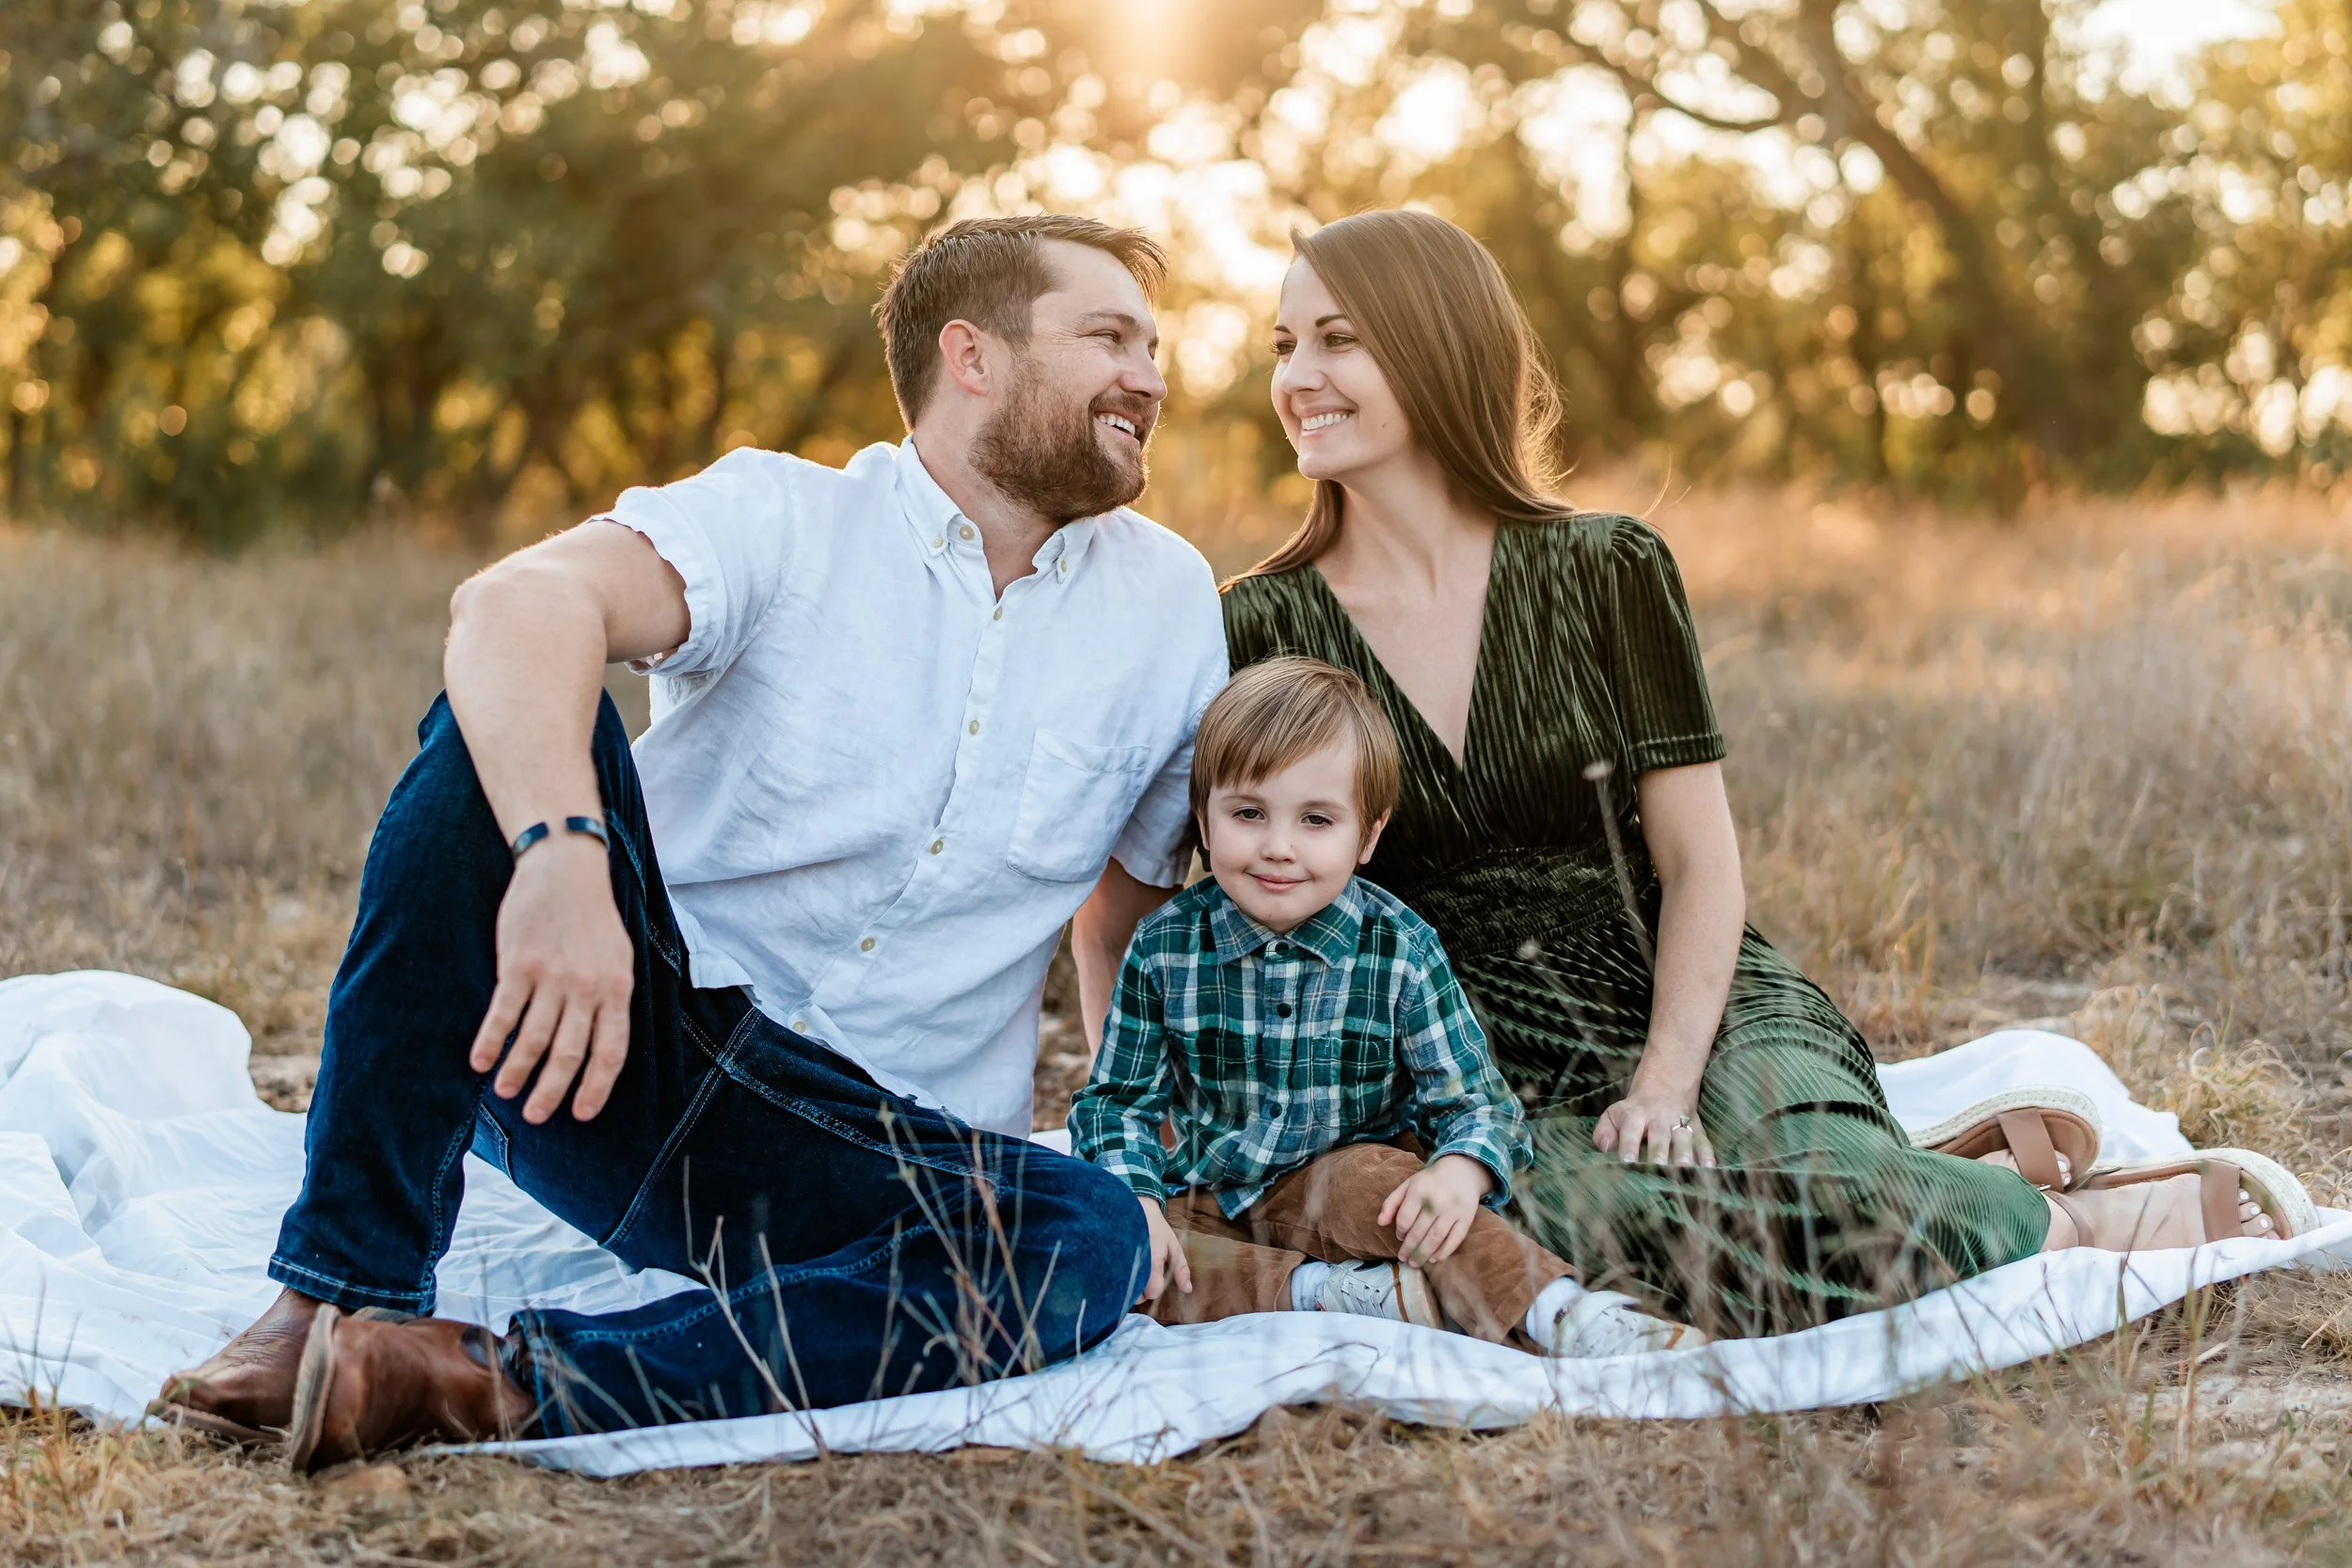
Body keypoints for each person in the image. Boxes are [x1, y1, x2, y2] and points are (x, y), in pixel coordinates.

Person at [154, 214, 1231, 1468]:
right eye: (1109, 337)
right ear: (972, 356)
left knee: (1083, 1239)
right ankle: (332, 1291)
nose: (1150, 376)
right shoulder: (787, 515)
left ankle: (470, 1381)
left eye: (1154, 346)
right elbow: (515, 600)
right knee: (491, 717)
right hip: (614, 1047)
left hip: (869, 1148)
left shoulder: (1169, 605)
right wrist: (563, 864)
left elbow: (1123, 916)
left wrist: (1130, 1151)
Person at [1215, 210, 2313, 1338]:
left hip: (1682, 983)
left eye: (1336, 339)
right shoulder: (1256, 624)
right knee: (1617, 1238)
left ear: (1437, 346)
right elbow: (1198, 898)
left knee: (1847, 1203)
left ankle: (2077, 1222)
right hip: (1467, 1044)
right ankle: (1972, 1179)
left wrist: (1665, 1081)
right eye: (1282, 345)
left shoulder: (1607, 568)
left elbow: (1699, 864)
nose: (1298, 376)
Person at [1070, 656, 1707, 1356]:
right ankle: (1335, 1295)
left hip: (1346, 1178)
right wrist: (1136, 1198)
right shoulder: (1166, 948)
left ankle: (1564, 1313)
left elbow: (1477, 1102)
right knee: (1122, 1249)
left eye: (1316, 819)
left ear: (1367, 836)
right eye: (1248, 813)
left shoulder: (1398, 947)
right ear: (1204, 819)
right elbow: (1117, 1103)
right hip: (1212, 1193)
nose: (1278, 846)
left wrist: (1462, 1167)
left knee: (1398, 1191)